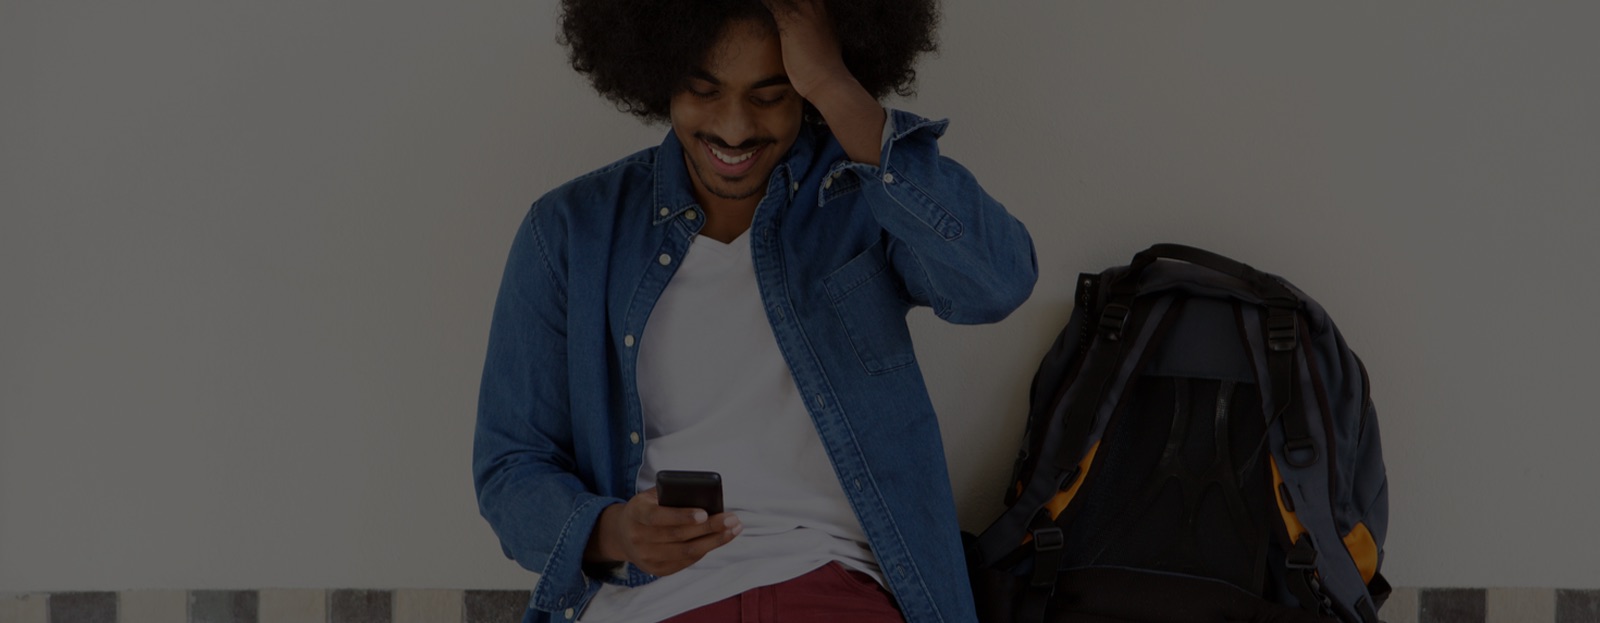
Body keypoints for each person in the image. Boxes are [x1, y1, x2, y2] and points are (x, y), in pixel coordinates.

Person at [473, 0, 1037, 620]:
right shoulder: (570, 231)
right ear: (658, 72)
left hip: (838, 588)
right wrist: (614, 533)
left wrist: (834, 83)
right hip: (650, 602)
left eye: (770, 96)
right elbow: (511, 469)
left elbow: (997, 283)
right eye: (702, 91)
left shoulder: (858, 200)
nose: (735, 128)